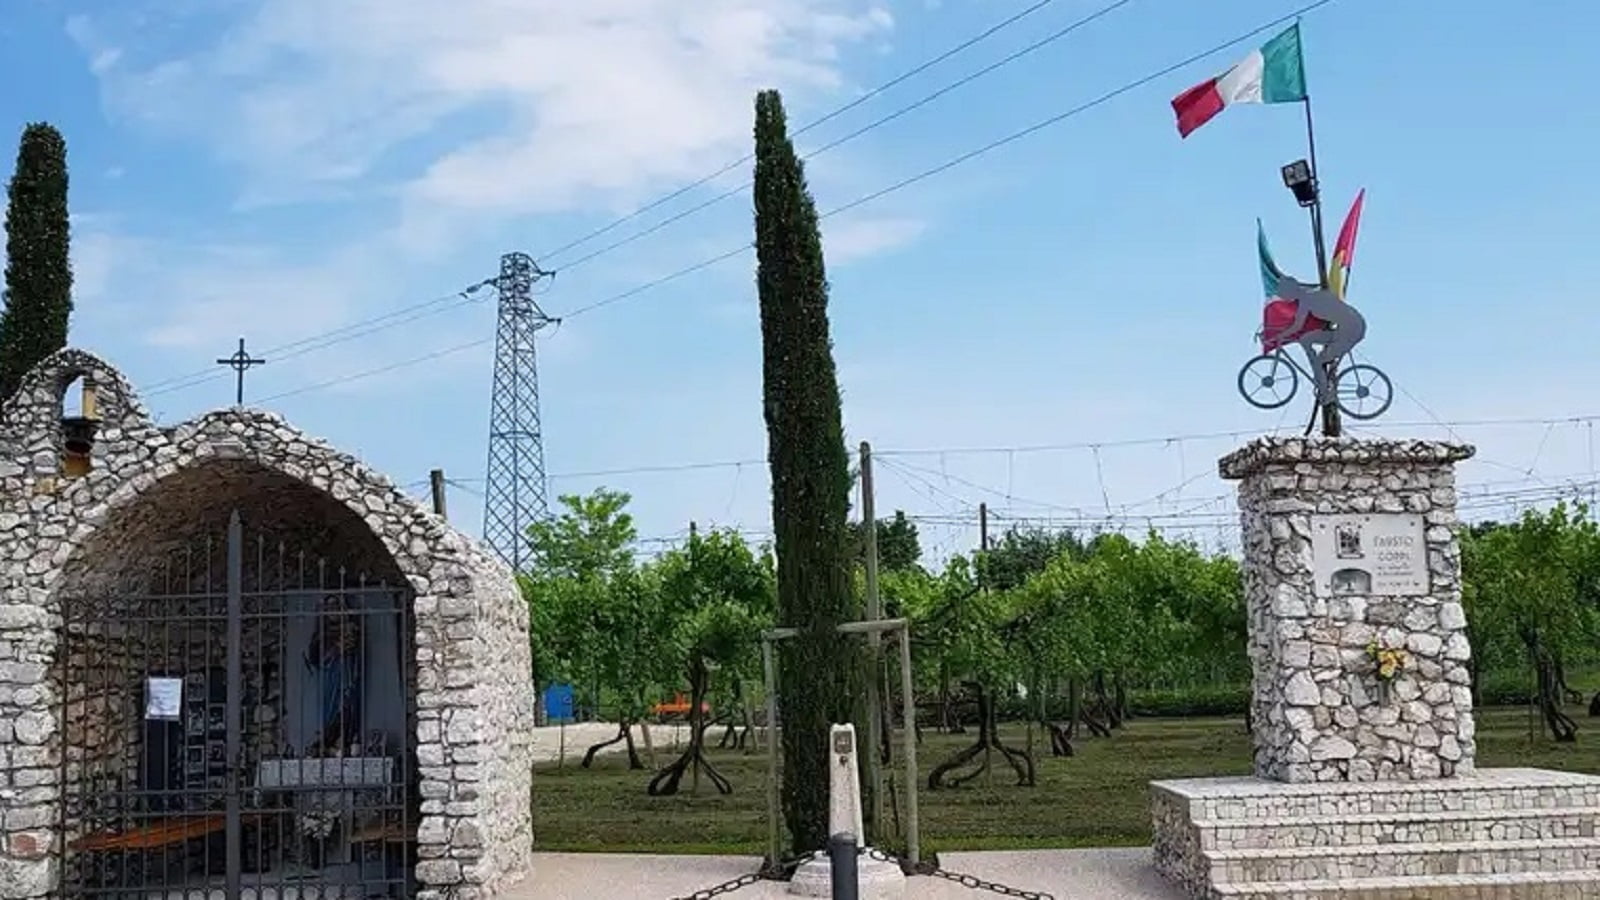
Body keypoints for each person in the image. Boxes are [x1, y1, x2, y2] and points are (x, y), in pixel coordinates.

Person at [1267, 275, 1367, 404]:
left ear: (1291, 291)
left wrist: (1278, 337)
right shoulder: (1307, 297)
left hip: (1352, 329)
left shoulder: (1309, 298)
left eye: (1285, 295)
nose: (1285, 299)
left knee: (1319, 361)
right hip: (1345, 327)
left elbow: (1297, 325)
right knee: (1305, 339)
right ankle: (1318, 370)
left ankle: (1327, 393)